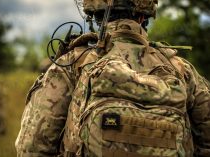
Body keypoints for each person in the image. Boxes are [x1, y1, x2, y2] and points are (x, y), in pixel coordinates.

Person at [15, 0, 210, 156]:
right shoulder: (181, 69)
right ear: (144, 15)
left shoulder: (72, 65)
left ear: (94, 15)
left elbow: (31, 148)